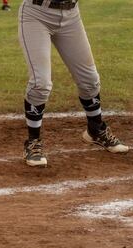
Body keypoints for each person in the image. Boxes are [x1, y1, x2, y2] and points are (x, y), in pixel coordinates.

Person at [18, 0, 129, 167]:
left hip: (71, 15)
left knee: (90, 80)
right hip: (37, 14)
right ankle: (33, 143)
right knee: (41, 83)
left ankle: (96, 129)